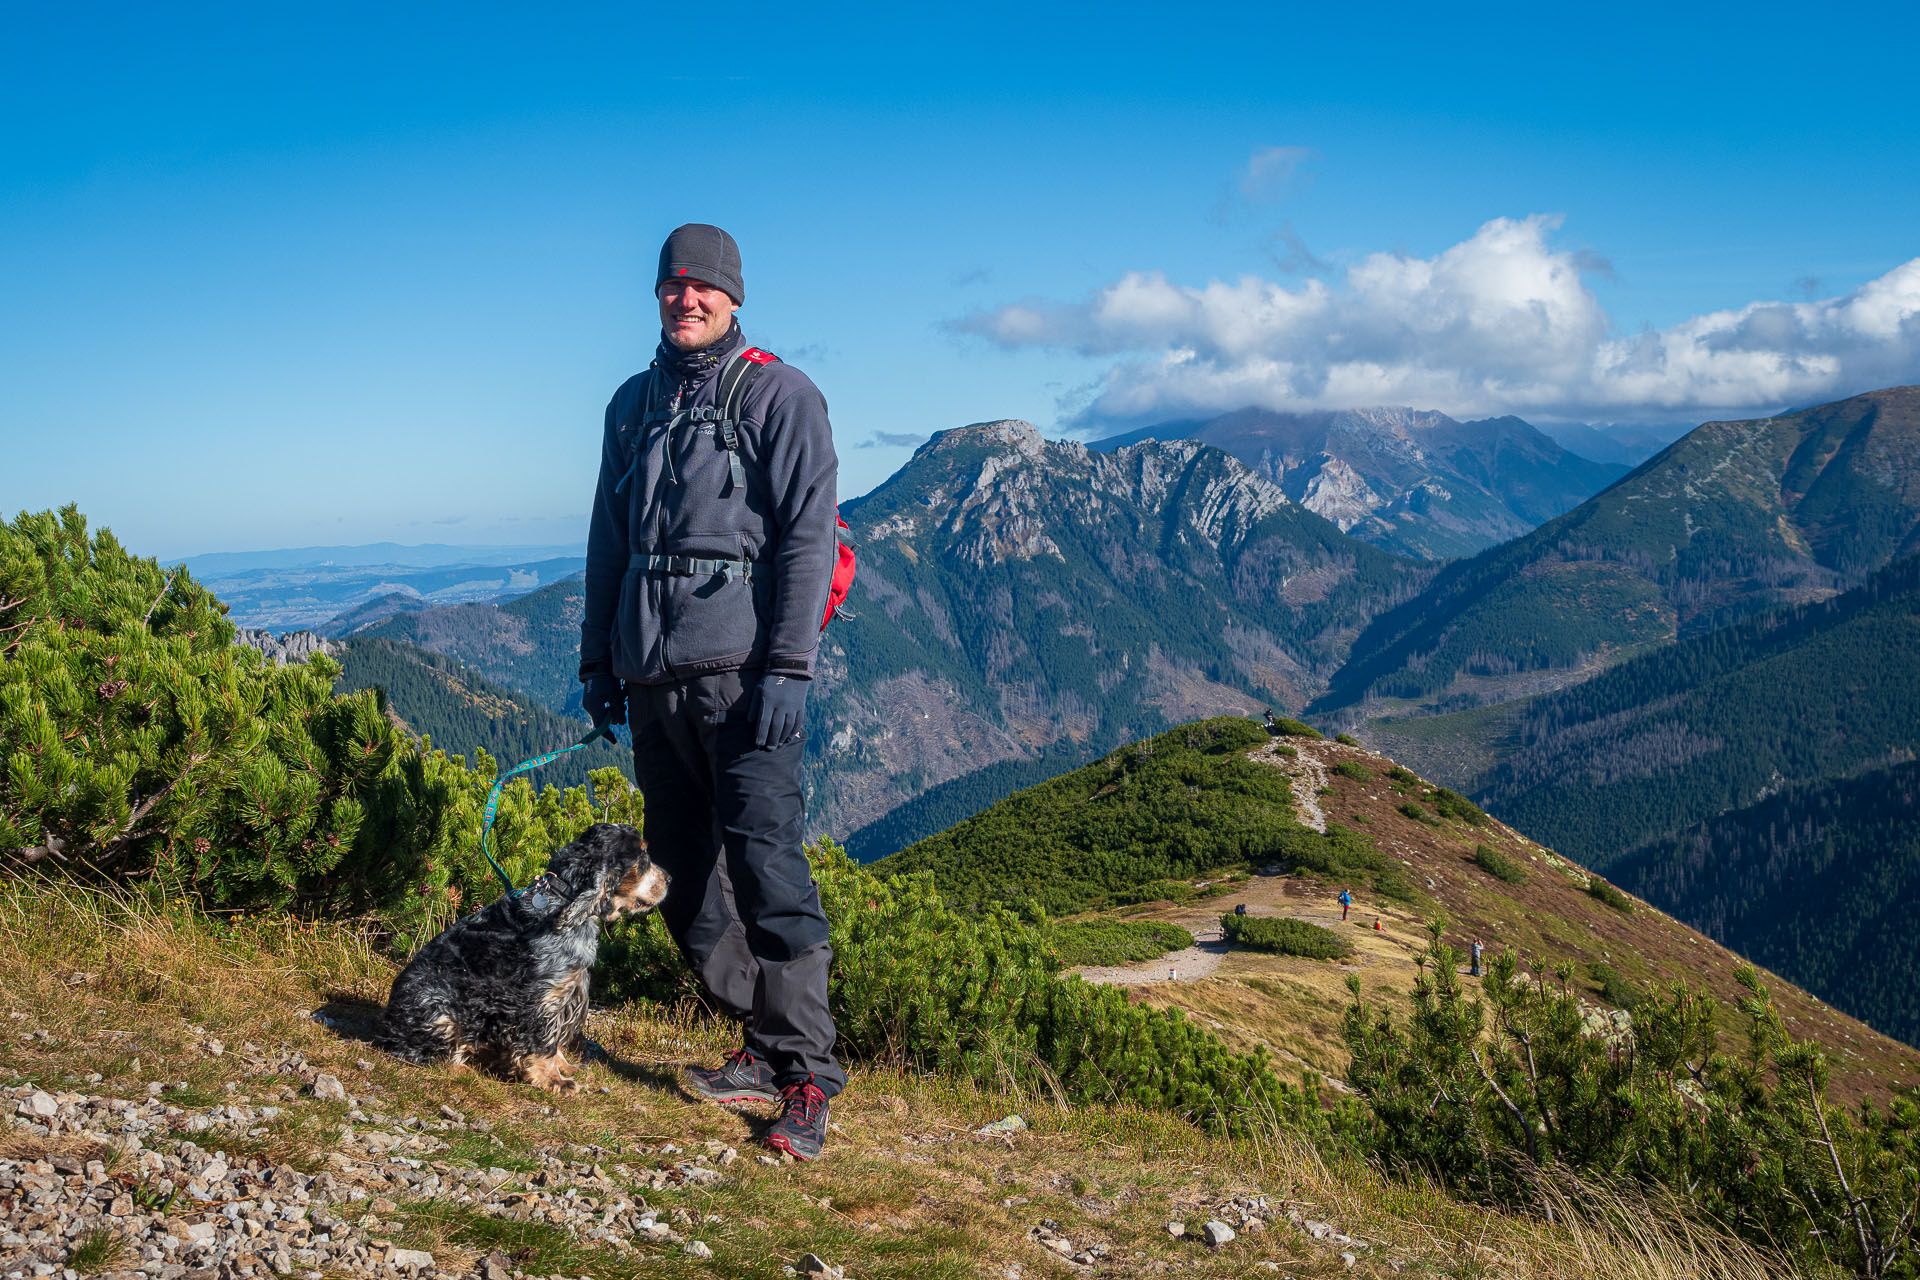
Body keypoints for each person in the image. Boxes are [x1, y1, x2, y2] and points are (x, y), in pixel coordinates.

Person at [578, 223, 842, 1161]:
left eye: (703, 289)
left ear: (734, 299)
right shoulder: (630, 405)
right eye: (672, 288)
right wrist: (595, 661)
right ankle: (764, 1042)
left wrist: (788, 669)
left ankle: (806, 1078)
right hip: (651, 678)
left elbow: (810, 538)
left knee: (770, 872)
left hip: (744, 682)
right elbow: (609, 542)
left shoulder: (779, 395)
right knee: (683, 877)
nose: (686, 301)